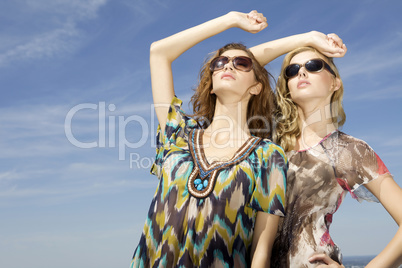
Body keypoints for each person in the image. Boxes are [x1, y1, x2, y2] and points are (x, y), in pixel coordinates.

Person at [130, 10, 347, 267]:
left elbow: (261, 252)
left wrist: (310, 39)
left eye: (241, 64)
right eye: (219, 63)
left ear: (257, 86)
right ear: (210, 84)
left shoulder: (267, 155)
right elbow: (159, 52)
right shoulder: (177, 134)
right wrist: (231, 19)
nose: (228, 65)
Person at [270, 45, 402, 267]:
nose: (301, 72)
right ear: (287, 89)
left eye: (313, 66)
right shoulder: (269, 145)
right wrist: (308, 37)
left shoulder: (349, 150)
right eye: (292, 70)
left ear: (335, 83)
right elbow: (234, 62)